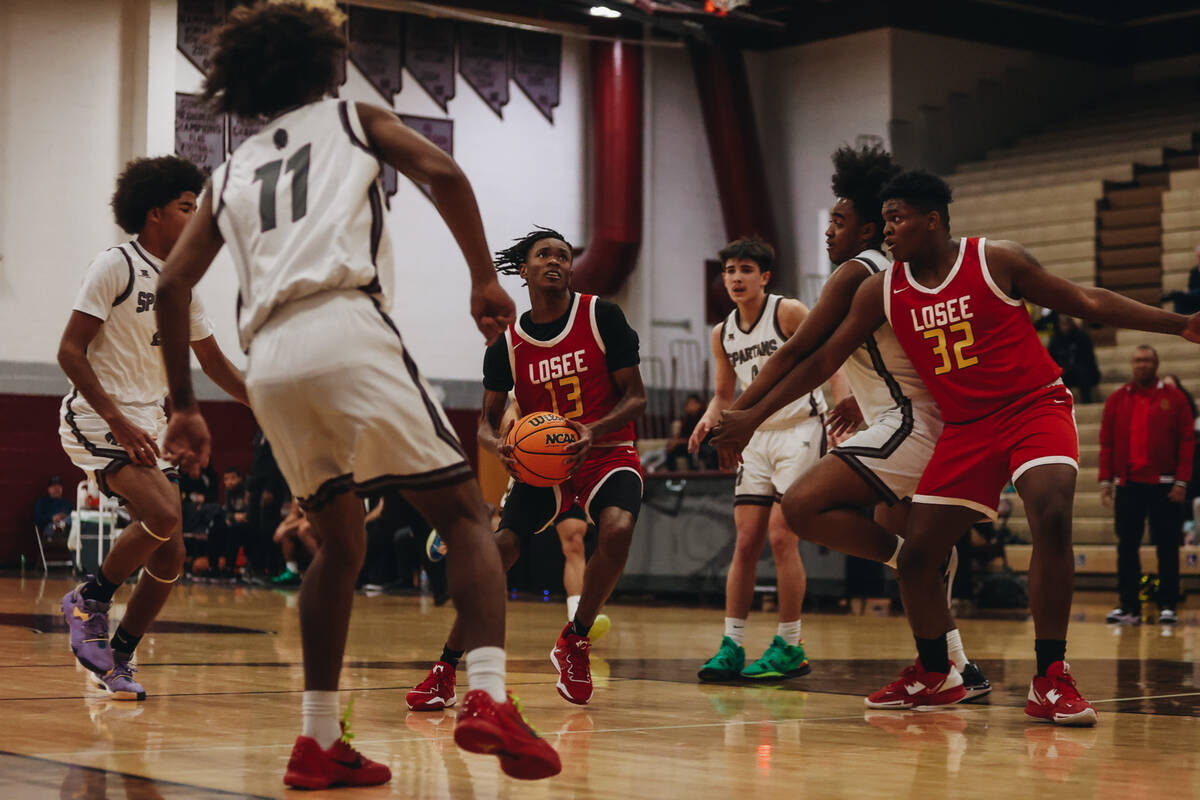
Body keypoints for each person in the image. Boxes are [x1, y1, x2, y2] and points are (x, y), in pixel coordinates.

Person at [154, 2, 559, 788]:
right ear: (322, 64)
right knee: (468, 515)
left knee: (339, 545)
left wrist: (185, 404)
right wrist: (482, 274)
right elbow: (443, 171)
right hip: (344, 325)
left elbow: (173, 285)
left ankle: (315, 740)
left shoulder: (228, 170)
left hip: (267, 358)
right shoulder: (350, 116)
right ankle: (487, 696)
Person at [715, 169, 1200, 726]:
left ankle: (1050, 677)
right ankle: (935, 672)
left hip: (1033, 406)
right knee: (918, 558)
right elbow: (822, 359)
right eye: (886, 220)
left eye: (898, 220)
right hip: (966, 428)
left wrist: (1181, 323)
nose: (889, 232)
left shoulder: (996, 260)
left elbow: (1085, 299)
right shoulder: (882, 289)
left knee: (1050, 512)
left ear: (933, 221)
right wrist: (750, 415)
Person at [705, 146, 989, 700]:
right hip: (910, 415)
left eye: (838, 220)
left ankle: (916, 568)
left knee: (804, 506)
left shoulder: (858, 271)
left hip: (911, 420)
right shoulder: (883, 269)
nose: (828, 231)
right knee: (889, 519)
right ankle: (958, 668)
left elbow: (803, 357)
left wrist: (744, 416)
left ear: (865, 229)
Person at [406, 227, 646, 712]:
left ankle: (575, 640)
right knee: (499, 551)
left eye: (563, 254)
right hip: (544, 466)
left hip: (606, 449)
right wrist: (502, 448)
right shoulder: (508, 346)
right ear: (525, 270)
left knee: (617, 529)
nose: (556, 260)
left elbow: (637, 396)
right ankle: (445, 669)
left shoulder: (601, 315)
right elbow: (485, 425)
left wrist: (592, 431)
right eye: (544, 254)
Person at [57, 154, 248, 703]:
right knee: (165, 514)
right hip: (97, 415)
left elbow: (214, 365)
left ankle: (119, 654)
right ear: (155, 212)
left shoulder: (182, 285)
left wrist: (267, 402)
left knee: (170, 554)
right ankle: (88, 600)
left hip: (147, 422)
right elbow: (69, 352)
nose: (197, 218)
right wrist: (116, 418)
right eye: (188, 207)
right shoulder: (115, 264)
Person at [689, 236, 846, 682]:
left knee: (782, 538)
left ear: (765, 276)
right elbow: (724, 393)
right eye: (729, 271)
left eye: (745, 270)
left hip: (800, 428)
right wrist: (708, 420)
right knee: (744, 542)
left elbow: (831, 355)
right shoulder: (722, 332)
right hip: (755, 436)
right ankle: (732, 645)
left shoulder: (789, 311)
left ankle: (790, 645)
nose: (736, 278)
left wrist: (842, 403)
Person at [1099, 346, 1195, 625]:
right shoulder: (1117, 399)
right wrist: (1106, 481)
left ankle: (1168, 604)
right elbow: (1107, 443)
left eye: (1147, 361)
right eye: (1138, 361)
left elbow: (1187, 442)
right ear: (1132, 365)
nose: (1142, 365)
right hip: (1128, 485)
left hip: (1165, 486)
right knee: (1126, 546)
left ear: (1156, 364)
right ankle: (1129, 606)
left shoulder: (1174, 399)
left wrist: (1181, 482)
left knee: (1167, 546)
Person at [1047, 315, 1100, 403]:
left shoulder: (1082, 337)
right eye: (1061, 323)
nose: (1063, 325)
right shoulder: (1055, 340)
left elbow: (1088, 361)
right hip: (1064, 372)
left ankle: (1087, 402)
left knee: (1083, 373)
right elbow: (1052, 359)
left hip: (1083, 372)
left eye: (1065, 322)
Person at [271, 501, 318, 586]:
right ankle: (292, 571)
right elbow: (294, 514)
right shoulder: (295, 490)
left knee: (303, 530)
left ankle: (326, 568)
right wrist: (283, 525)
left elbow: (312, 516)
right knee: (285, 531)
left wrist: (287, 528)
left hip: (321, 520)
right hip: (306, 521)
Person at [664, 394, 715, 470]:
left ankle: (693, 474)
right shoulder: (687, 418)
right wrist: (674, 440)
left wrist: (678, 441)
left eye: (693, 404)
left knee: (691, 449)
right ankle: (672, 476)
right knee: (672, 451)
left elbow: (698, 436)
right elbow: (683, 434)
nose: (690, 406)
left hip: (704, 444)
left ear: (699, 405)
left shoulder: (703, 417)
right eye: (688, 404)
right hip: (689, 443)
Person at [34, 476, 73, 540]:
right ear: (49, 489)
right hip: (50, 529)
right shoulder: (42, 502)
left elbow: (73, 516)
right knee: (53, 526)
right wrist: (52, 518)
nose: (56, 489)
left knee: (71, 519)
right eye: (54, 487)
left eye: (58, 486)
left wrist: (65, 516)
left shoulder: (67, 503)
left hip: (67, 528)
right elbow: (37, 518)